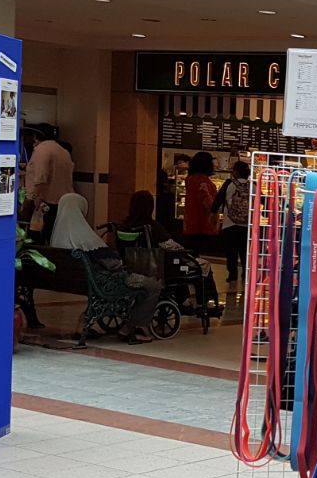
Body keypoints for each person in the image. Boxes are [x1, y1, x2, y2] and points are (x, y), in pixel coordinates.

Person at [51, 192, 159, 343]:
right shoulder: (84, 236)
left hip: (74, 281)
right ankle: (133, 327)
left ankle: (84, 322)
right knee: (153, 286)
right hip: (102, 281)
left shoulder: (56, 237)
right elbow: (112, 263)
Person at [23, 125, 75, 243]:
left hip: (44, 202)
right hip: (62, 201)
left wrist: (35, 198)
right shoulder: (63, 151)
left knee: (36, 238)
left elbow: (41, 177)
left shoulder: (42, 150)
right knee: (53, 237)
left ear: (36, 137)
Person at [213, 159, 251, 285]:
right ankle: (245, 273)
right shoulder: (253, 186)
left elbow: (218, 200)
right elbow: (263, 201)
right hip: (246, 224)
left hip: (230, 223)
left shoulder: (229, 184)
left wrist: (213, 213)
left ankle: (232, 275)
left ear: (236, 172)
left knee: (231, 250)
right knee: (245, 250)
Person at [181, 151, 220, 254]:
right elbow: (209, 204)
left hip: (190, 220)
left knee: (193, 251)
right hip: (203, 223)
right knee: (200, 253)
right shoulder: (203, 182)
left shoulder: (189, 179)